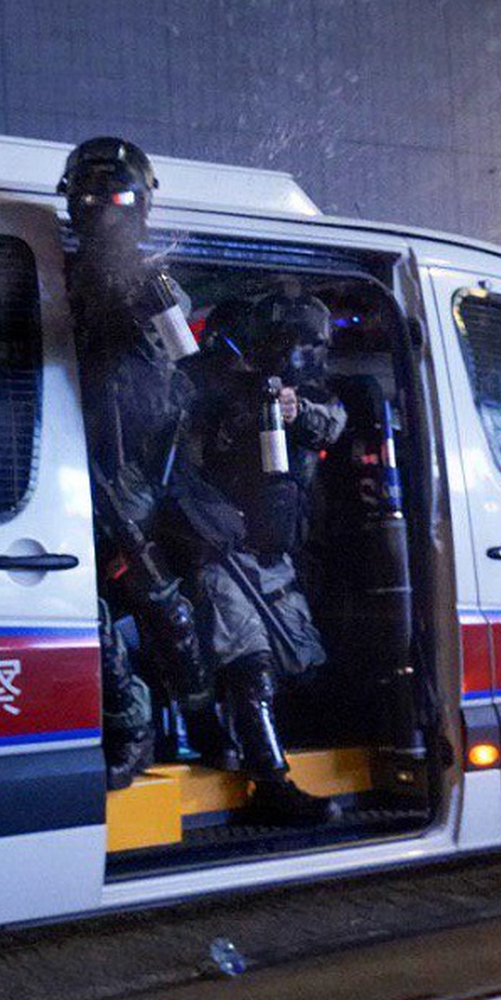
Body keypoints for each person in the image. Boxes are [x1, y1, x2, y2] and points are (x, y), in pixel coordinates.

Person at [59, 136, 213, 791]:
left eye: (117, 199)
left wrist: (143, 305)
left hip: (139, 475)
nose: (106, 213)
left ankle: (203, 719)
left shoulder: (155, 282)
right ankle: (131, 720)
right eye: (92, 200)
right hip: (77, 464)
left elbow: (184, 369)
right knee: (80, 603)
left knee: (164, 605)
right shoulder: (53, 275)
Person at [178, 285, 348, 826]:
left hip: (276, 549)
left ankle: (236, 743)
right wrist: (235, 412)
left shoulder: (303, 394)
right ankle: (271, 783)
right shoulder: (214, 385)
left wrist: (293, 411)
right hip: (221, 545)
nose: (301, 354)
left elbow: (330, 423)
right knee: (246, 657)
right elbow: (185, 454)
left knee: (295, 659)